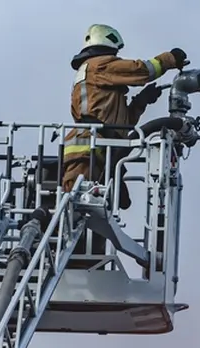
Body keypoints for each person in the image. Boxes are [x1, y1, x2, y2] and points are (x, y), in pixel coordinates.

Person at [61, 24, 189, 210]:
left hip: (101, 151)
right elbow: (141, 70)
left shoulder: (96, 74)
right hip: (88, 152)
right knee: (77, 211)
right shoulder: (99, 65)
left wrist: (141, 101)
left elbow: (121, 124)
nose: (116, 57)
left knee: (101, 212)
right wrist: (170, 59)